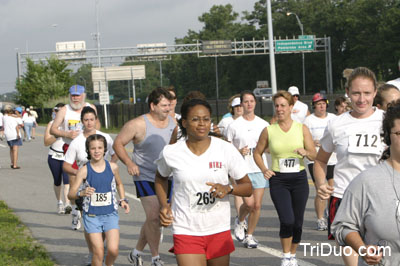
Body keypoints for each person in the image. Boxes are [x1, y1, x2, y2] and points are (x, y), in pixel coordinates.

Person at [155, 98, 252, 266]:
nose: (202, 124)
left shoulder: (225, 149)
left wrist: (228, 188)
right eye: (195, 119)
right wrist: (164, 205)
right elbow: (160, 178)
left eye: (206, 119)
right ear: (184, 123)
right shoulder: (172, 152)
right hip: (185, 228)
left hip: (218, 228)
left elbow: (248, 187)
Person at [314, 67, 384, 266]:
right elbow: (320, 161)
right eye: (356, 93)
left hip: (379, 197)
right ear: (347, 92)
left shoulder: (387, 121)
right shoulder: (337, 124)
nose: (361, 99)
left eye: (367, 93)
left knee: (380, 258)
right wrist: (320, 183)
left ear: (375, 92)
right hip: (345, 197)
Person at [332, 100, 400, 265]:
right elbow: (342, 226)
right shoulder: (367, 181)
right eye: (399, 134)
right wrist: (362, 248)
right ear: (387, 137)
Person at [113, 87, 175, 266]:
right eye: (164, 105)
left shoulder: (173, 122)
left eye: (169, 105)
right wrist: (129, 163)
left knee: (158, 218)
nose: (167, 108)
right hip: (145, 176)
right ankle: (155, 257)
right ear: (153, 106)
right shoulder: (138, 124)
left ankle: (136, 252)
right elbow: (118, 143)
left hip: (167, 175)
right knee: (155, 215)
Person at [254, 90, 316, 266]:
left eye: (283, 105)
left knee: (297, 222)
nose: (279, 109)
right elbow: (257, 153)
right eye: (277, 106)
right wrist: (264, 169)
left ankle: (293, 255)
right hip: (278, 179)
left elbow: (314, 155)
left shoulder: (301, 128)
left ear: (291, 107)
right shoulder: (268, 130)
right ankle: (285, 255)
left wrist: (306, 152)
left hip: (299, 179)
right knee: (286, 219)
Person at [68, 134, 130, 266]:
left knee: (113, 250)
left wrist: (123, 199)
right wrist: (82, 193)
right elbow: (71, 194)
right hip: (92, 216)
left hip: (110, 214)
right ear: (88, 150)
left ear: (105, 149)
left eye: (100, 148)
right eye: (93, 148)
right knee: (99, 252)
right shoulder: (84, 170)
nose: (96, 151)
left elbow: (119, 184)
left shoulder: (113, 167)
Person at [50, 85, 99, 231]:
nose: (75, 98)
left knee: (92, 181)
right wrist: (66, 134)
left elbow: (98, 124)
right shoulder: (64, 110)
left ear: (83, 95)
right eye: (73, 95)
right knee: (74, 183)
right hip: (71, 149)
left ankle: (92, 214)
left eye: (78, 95)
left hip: (90, 149)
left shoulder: (91, 107)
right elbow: (53, 129)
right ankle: (75, 212)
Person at [225, 90, 270, 248]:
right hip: (242, 170)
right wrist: (239, 152)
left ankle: (249, 235)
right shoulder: (234, 125)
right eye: (246, 101)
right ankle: (240, 220)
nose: (249, 104)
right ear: (241, 104)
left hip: (259, 168)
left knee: (257, 205)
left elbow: (269, 148)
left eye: (251, 101)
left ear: (255, 103)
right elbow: (227, 150)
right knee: (249, 204)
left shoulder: (263, 124)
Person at [64, 106, 117, 229]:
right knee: (90, 224)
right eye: (86, 120)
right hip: (85, 186)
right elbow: (66, 165)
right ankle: (94, 245)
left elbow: (115, 154)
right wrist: (79, 172)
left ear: (96, 120)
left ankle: (100, 244)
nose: (89, 122)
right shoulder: (76, 142)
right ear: (82, 121)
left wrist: (109, 169)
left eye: (92, 119)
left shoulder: (105, 137)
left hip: (103, 185)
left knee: (106, 221)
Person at [303, 93, 337, 231]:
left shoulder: (334, 119)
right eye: (318, 104)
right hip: (315, 159)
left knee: (333, 189)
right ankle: (320, 218)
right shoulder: (308, 121)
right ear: (314, 106)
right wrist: (312, 142)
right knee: (321, 190)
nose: (321, 106)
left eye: (323, 103)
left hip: (333, 158)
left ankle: (331, 215)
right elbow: (304, 139)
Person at [44, 103, 71, 214]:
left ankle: (67, 204)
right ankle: (59, 202)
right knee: (57, 181)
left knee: (67, 181)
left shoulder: (70, 124)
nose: (58, 113)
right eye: (56, 110)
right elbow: (46, 142)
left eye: (61, 111)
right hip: (54, 156)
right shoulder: (51, 124)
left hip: (67, 156)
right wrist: (58, 135)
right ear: (54, 112)